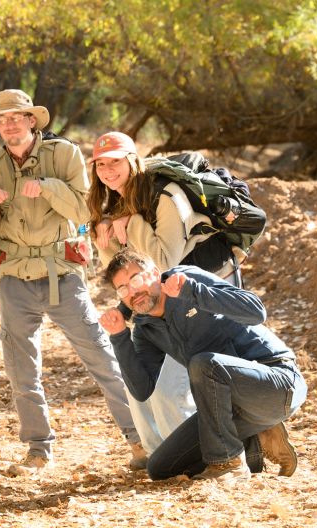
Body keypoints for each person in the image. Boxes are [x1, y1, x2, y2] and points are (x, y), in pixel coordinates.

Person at [0, 89, 142, 475]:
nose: (9, 123)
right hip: (13, 277)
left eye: (17, 116)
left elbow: (85, 208)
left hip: (62, 272)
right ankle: (37, 449)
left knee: (100, 355)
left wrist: (48, 186)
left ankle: (139, 438)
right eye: (2, 119)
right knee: (20, 367)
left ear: (32, 120)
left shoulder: (64, 155)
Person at [100, 248, 306, 482]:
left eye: (136, 278)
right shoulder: (145, 329)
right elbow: (142, 390)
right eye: (123, 288)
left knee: (203, 364)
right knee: (161, 468)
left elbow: (256, 311)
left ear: (156, 273)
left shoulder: (187, 279)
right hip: (228, 408)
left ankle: (229, 464)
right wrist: (119, 337)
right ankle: (258, 440)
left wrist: (193, 291)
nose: (133, 291)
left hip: (277, 383)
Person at [86, 131, 199, 457]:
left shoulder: (165, 197)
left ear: (133, 160)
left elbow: (166, 263)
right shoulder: (116, 205)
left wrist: (132, 223)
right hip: (152, 309)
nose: (107, 170)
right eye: (100, 164)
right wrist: (105, 242)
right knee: (139, 383)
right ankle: (156, 453)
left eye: (115, 162)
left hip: (191, 306)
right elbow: (119, 275)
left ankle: (192, 455)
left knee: (170, 389)